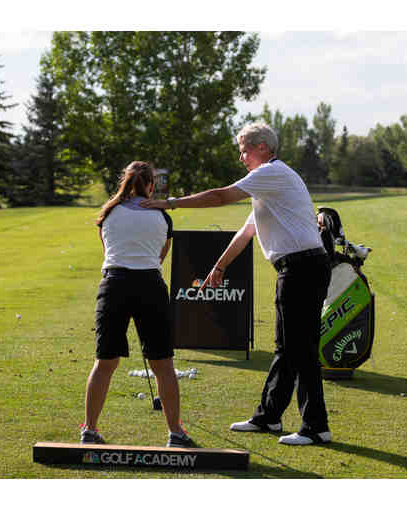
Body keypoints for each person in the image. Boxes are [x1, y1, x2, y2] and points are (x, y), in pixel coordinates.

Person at [141, 122, 332, 446]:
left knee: (301, 350)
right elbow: (246, 233)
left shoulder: (272, 173)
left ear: (261, 147)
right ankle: (268, 417)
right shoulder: (267, 187)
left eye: (244, 150)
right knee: (286, 348)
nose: (241, 157)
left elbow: (219, 196)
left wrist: (169, 203)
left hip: (303, 268)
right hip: (297, 268)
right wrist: (219, 267)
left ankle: (316, 427)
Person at [80, 160, 195, 448]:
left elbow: (108, 251)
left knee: (104, 362)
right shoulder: (162, 215)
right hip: (149, 286)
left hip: (114, 284)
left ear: (125, 182)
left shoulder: (108, 212)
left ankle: (89, 431)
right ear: (151, 185)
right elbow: (159, 257)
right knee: (163, 364)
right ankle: (176, 434)